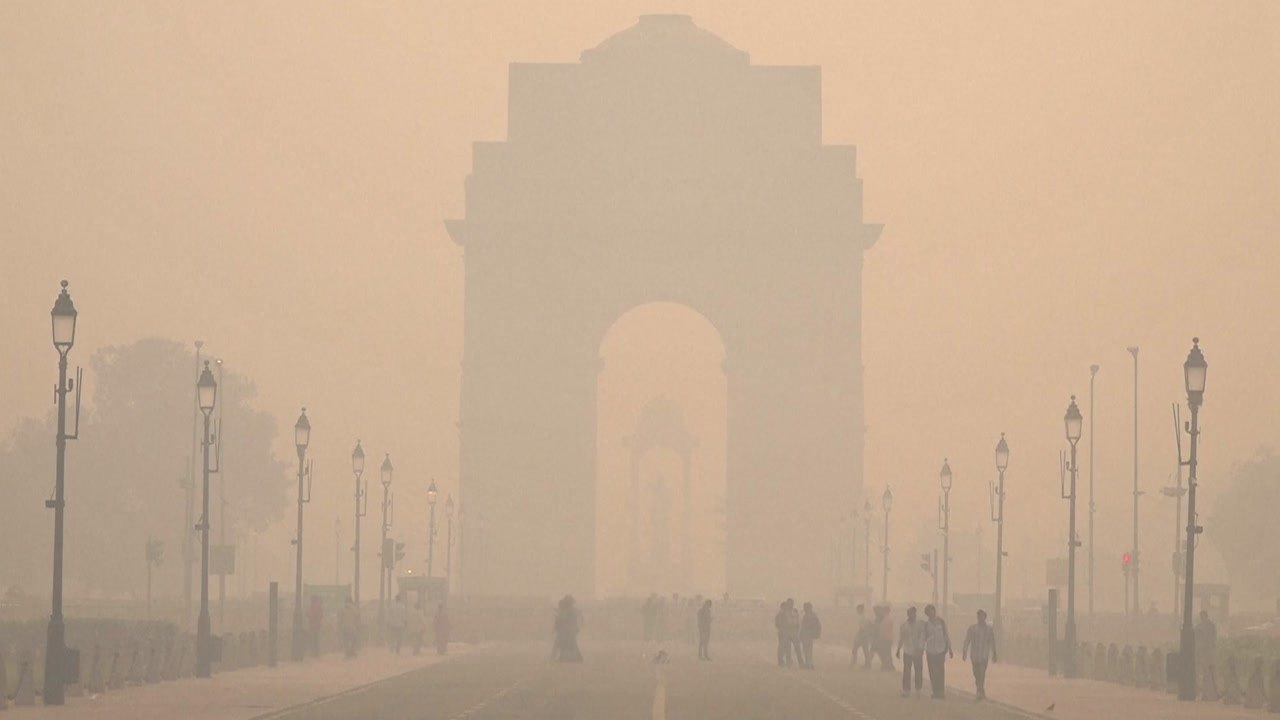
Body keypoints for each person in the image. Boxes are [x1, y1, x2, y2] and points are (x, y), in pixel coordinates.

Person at [962, 609, 998, 700]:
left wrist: (994, 653)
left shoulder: (989, 629)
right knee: (976, 673)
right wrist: (964, 651)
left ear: (985, 617)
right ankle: (980, 690)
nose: (980, 618)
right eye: (979, 616)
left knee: (982, 673)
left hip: (984, 655)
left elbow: (992, 641)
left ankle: (979, 691)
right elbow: (967, 640)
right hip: (974, 655)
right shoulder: (972, 629)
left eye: (982, 616)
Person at [923, 604, 953, 699]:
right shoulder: (926, 625)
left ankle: (941, 692)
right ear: (927, 614)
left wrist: (950, 648)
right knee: (932, 672)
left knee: (940, 671)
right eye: (929, 611)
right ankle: (935, 691)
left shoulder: (941, 622)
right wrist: (921, 648)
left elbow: (946, 635)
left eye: (933, 610)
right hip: (930, 651)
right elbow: (923, 638)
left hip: (941, 650)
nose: (932, 613)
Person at [896, 606, 926, 697]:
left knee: (918, 671)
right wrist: (898, 649)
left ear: (915, 613)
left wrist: (921, 648)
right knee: (906, 671)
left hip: (918, 651)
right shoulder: (904, 625)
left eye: (912, 613)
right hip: (907, 651)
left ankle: (918, 689)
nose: (910, 615)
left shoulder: (920, 624)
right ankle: (906, 689)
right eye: (909, 613)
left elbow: (923, 637)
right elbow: (901, 638)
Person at [553, 595, 583, 662]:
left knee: (567, 644)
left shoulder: (569, 611)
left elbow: (562, 620)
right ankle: (572, 658)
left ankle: (573, 658)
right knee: (568, 644)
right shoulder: (570, 610)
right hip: (567, 630)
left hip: (567, 630)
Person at [1195, 609, 1217, 685]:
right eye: (1201, 616)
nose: (1202, 618)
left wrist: (1212, 644)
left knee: (1208, 666)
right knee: (1202, 667)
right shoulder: (1198, 626)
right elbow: (1196, 637)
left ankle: (1209, 682)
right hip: (1202, 649)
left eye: (1203, 616)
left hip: (1208, 649)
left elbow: (1214, 636)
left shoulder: (1210, 625)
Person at [799, 602, 822, 670]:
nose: (804, 608)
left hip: (806, 635)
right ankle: (809, 664)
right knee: (809, 650)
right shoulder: (813, 615)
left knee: (807, 650)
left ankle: (809, 664)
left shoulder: (808, 616)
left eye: (805, 607)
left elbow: (803, 626)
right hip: (809, 635)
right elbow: (819, 625)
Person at [852, 603, 873, 668]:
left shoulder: (864, 617)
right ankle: (867, 664)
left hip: (863, 635)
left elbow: (864, 627)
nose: (857, 611)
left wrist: (862, 634)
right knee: (864, 650)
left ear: (861, 610)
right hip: (863, 635)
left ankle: (855, 663)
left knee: (858, 649)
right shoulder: (863, 617)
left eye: (858, 610)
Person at [875, 605, 896, 671]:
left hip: (886, 638)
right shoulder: (885, 618)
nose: (883, 611)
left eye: (884, 610)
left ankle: (889, 666)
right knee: (885, 653)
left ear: (887, 611)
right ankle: (887, 665)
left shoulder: (888, 619)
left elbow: (888, 630)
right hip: (884, 638)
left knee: (886, 653)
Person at [775, 600, 793, 666]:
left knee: (784, 647)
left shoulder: (782, 614)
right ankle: (782, 661)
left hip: (784, 633)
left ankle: (784, 661)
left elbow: (777, 624)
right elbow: (778, 624)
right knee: (784, 647)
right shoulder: (782, 614)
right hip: (784, 633)